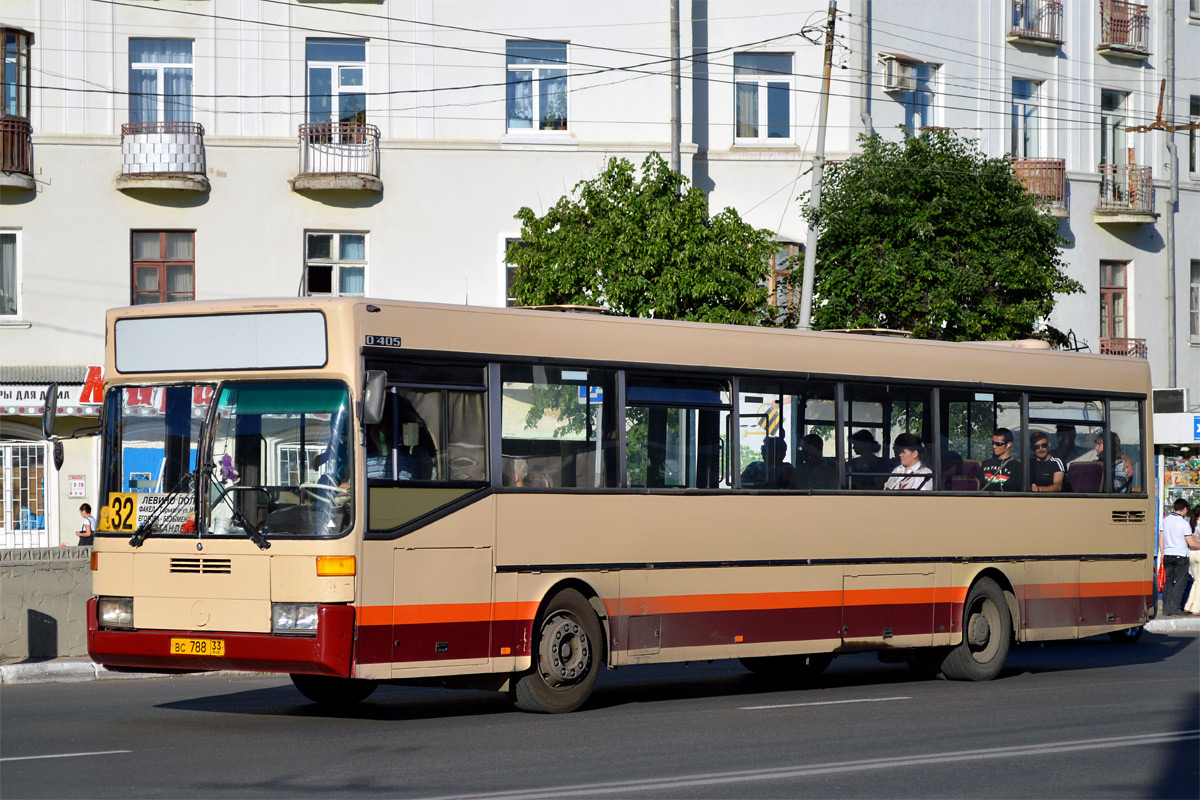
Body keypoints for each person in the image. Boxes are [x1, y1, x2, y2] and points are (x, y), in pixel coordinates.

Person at [1159, 498, 1192, 616]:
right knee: (1180, 582)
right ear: (1184, 509)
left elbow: (1161, 538)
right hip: (1181, 555)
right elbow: (1191, 542)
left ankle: (1166, 609)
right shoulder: (1184, 523)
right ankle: (1176, 608)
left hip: (1168, 554)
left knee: (1168, 582)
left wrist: (1163, 554)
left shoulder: (1165, 520)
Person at [981, 427, 1023, 492]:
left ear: (1009, 444)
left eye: (998, 444)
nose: (994, 446)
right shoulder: (985, 464)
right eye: (993, 443)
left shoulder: (1017, 467)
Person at [1183, 506, 1200, 615]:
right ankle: (1196, 609)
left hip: (1191, 554)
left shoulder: (1189, 523)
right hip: (1199, 553)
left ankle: (1188, 605)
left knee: (1196, 581)